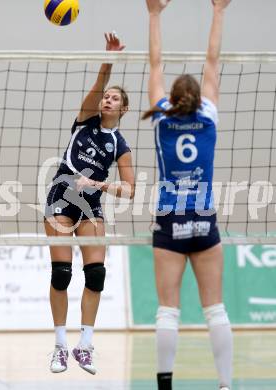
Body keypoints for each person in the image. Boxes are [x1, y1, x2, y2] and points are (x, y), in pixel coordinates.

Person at [143, 1, 233, 389]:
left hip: (170, 220)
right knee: (215, 309)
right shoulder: (209, 115)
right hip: (204, 219)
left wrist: (154, 15)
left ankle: (165, 384)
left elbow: (155, 66)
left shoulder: (161, 117)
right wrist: (218, 11)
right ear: (197, 98)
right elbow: (212, 61)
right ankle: (226, 384)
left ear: (173, 99)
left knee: (168, 311)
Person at [44, 32, 135, 375]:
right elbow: (99, 82)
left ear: (123, 109)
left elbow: (130, 191)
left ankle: (85, 345)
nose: (108, 100)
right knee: (61, 274)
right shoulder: (85, 119)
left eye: (115, 99)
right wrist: (109, 58)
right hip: (61, 198)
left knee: (96, 274)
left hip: (91, 203)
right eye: (107, 97)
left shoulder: (120, 145)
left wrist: (98, 184)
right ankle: (59, 346)